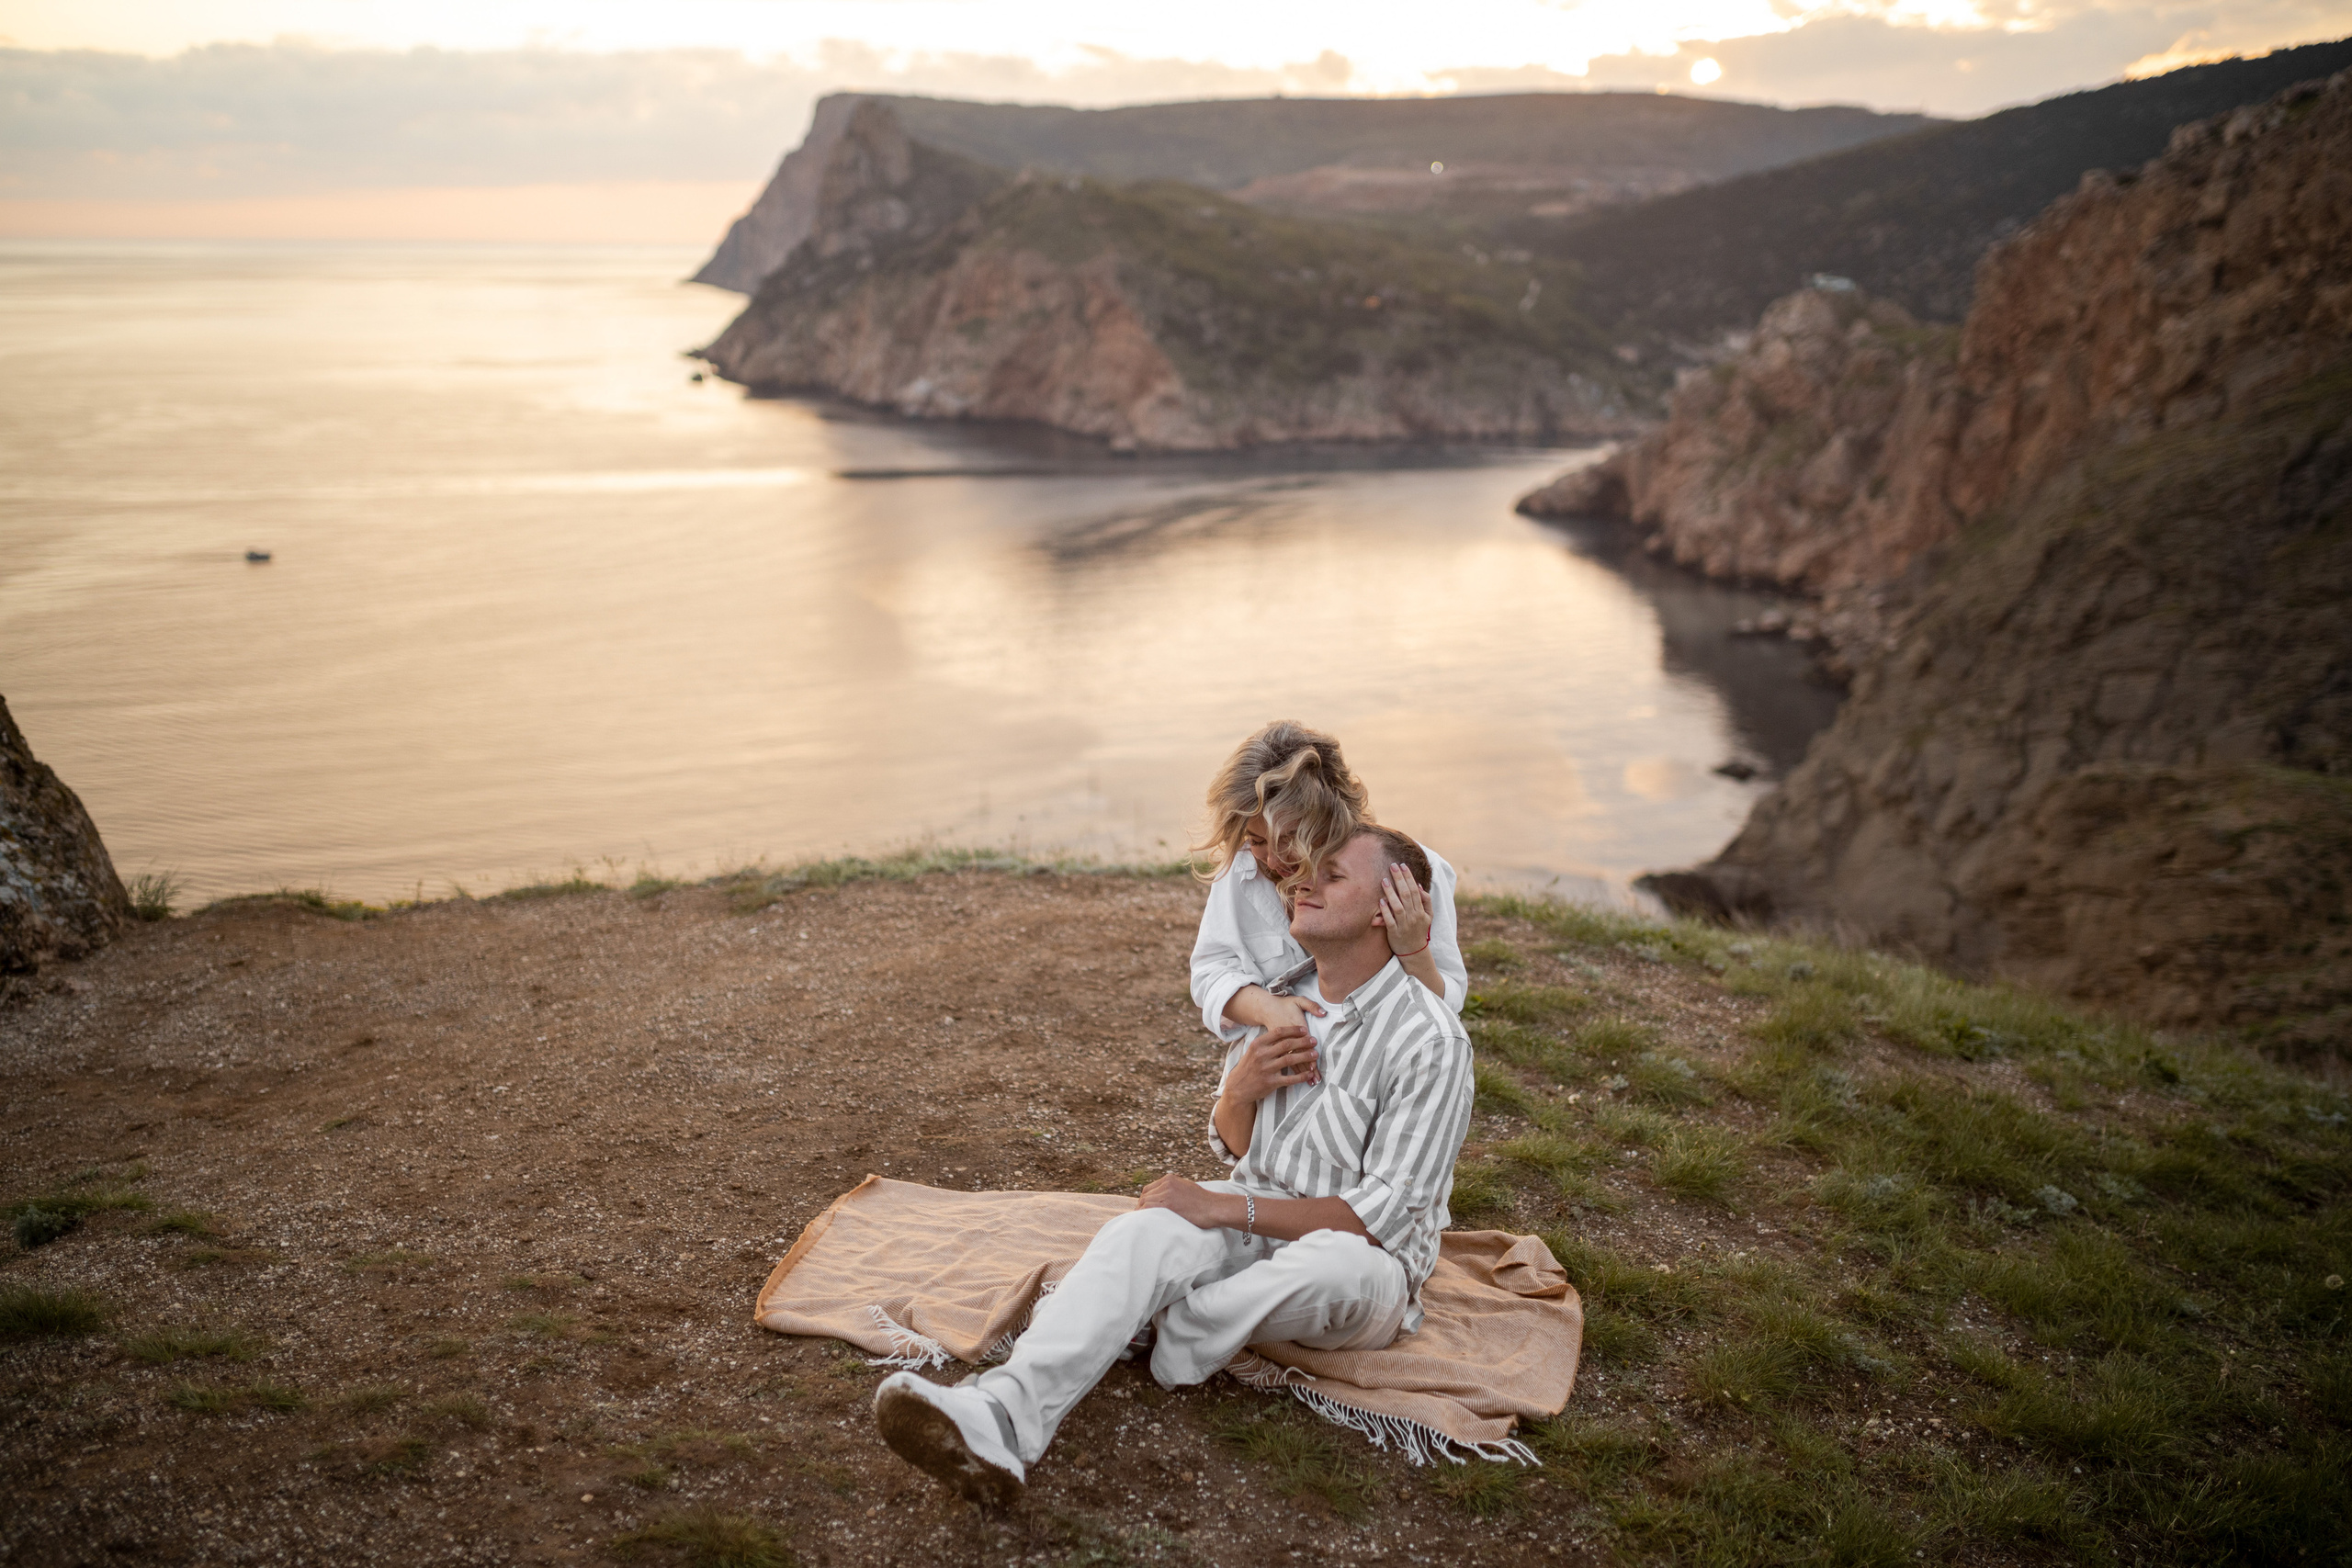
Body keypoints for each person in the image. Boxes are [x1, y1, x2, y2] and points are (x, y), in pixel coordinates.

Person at [873, 825, 1475, 1506]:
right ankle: (1003, 1413)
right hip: (1258, 1219)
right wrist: (1241, 1091)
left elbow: (1376, 1221)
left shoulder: (1430, 1038)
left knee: (1334, 1261)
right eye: (1307, 869)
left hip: (1368, 1270)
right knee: (1142, 1230)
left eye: (1332, 875)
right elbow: (1237, 1146)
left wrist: (1223, 1206)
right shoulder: (1282, 997)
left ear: (1388, 907)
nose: (1302, 881)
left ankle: (1179, 1326)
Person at [1190, 721, 1467, 1063]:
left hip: (1379, 1068)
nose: (1274, 860)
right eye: (1257, 840)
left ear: (1333, 813)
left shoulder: (1408, 872)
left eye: (1290, 838)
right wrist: (1268, 1009)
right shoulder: (1243, 871)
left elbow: (1446, 1005)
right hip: (1278, 1071)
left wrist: (1414, 951)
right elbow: (1210, 973)